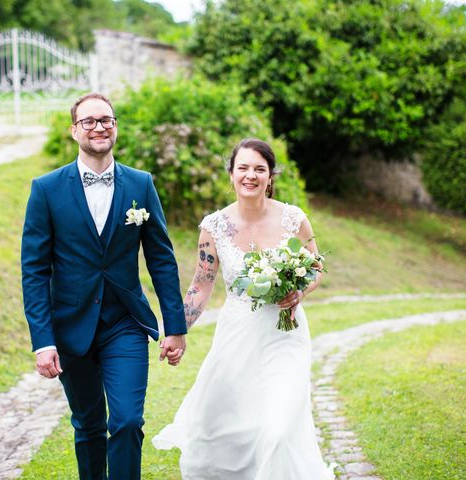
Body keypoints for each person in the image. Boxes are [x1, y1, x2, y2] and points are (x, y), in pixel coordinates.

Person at [21, 92, 187, 480]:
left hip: (124, 323)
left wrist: (175, 326)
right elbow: (34, 270)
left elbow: (161, 259)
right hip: (70, 326)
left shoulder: (141, 184)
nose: (99, 127)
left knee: (128, 421)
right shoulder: (46, 189)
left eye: (106, 120)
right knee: (89, 426)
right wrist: (42, 341)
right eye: (90, 121)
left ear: (115, 127)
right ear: (74, 130)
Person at [153, 138, 335, 479]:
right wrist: (176, 330)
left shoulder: (294, 219)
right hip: (236, 337)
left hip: (286, 335)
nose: (250, 175)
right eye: (243, 168)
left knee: (278, 427)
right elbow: (201, 284)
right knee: (227, 426)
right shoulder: (214, 227)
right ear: (232, 174)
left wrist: (299, 292)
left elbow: (316, 267)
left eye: (259, 169)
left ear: (270, 176)